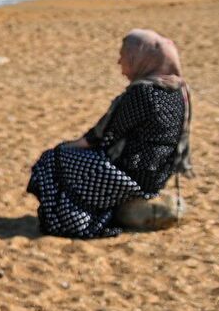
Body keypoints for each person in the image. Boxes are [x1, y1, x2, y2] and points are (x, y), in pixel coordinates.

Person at [26, 29, 192, 239]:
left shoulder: (142, 92)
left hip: (133, 174)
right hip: (158, 174)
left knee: (52, 160)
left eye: (124, 55)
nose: (119, 62)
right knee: (67, 158)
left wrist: (66, 147)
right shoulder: (178, 89)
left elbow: (103, 137)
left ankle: (73, 221)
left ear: (139, 58)